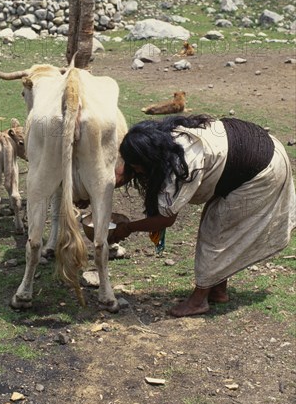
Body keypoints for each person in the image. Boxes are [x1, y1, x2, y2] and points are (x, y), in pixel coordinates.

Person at [111, 114, 296, 317]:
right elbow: (128, 171)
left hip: (263, 171)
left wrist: (127, 228)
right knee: (217, 225)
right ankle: (217, 289)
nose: (134, 170)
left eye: (136, 166)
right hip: (258, 149)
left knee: (215, 234)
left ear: (149, 159)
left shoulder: (183, 163)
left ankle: (198, 301)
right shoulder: (165, 139)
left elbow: (167, 218)